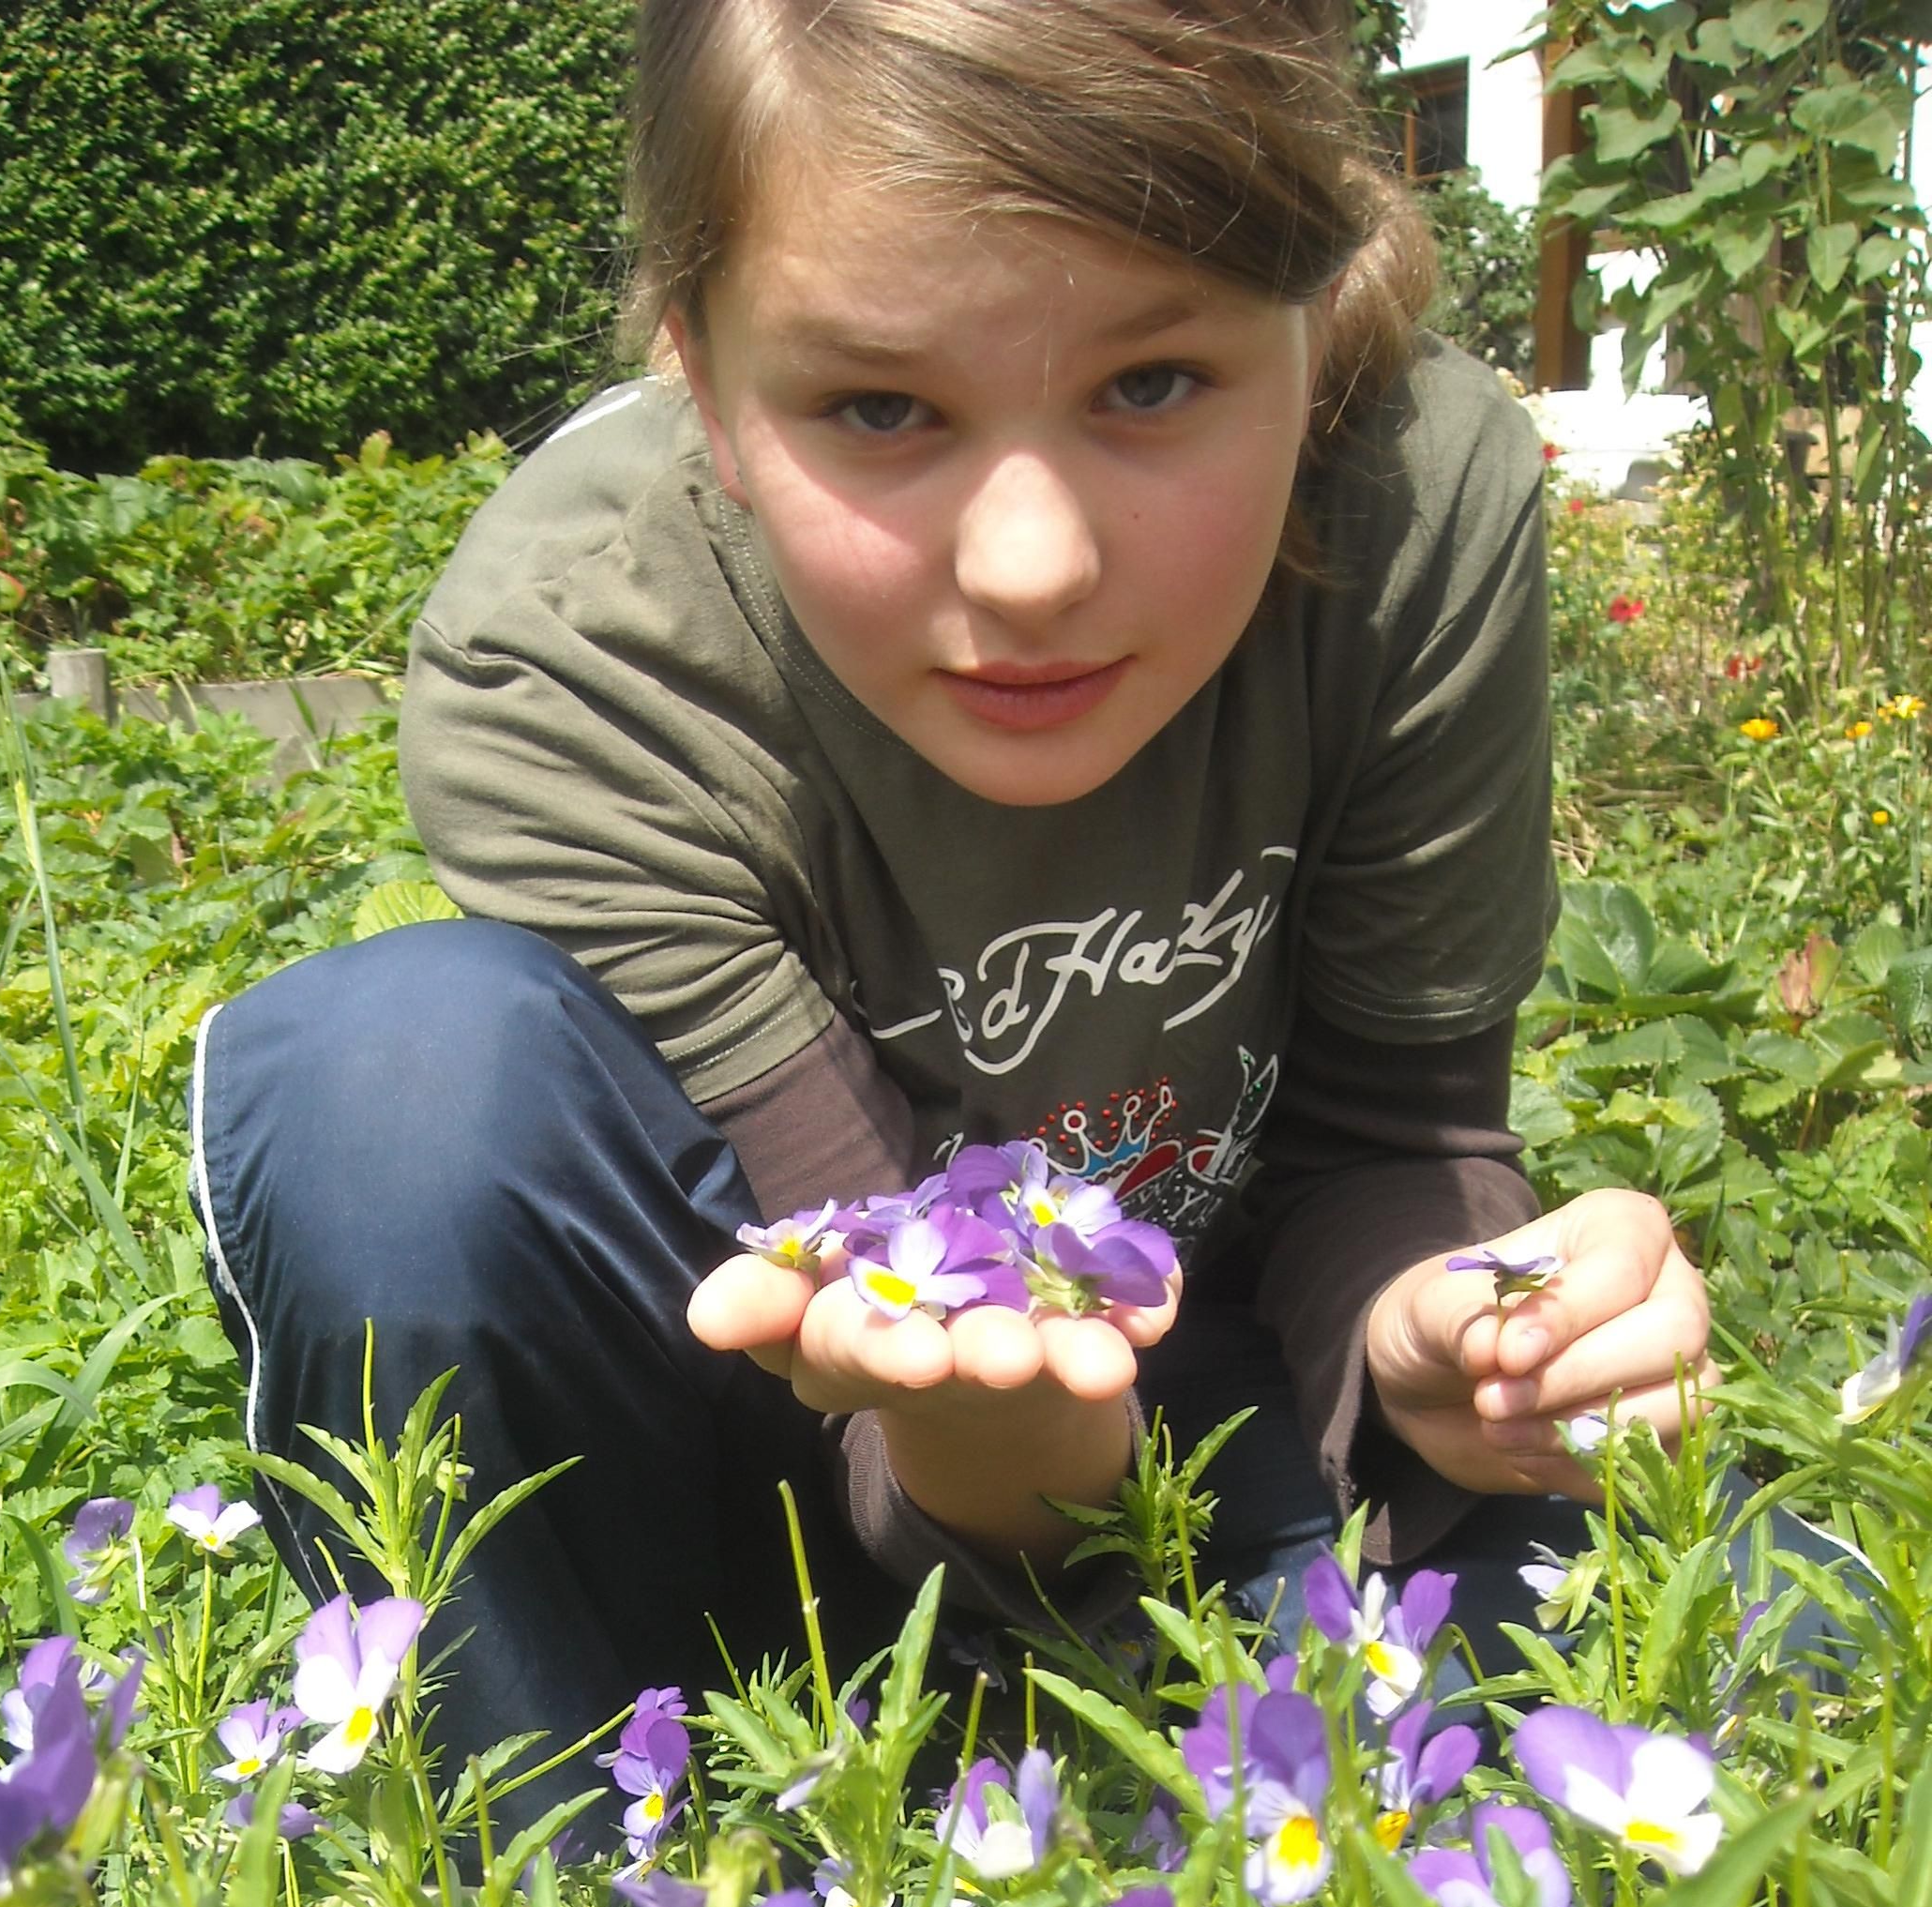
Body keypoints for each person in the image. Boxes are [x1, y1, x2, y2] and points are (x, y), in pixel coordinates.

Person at [190, 0, 1712, 1780]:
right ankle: (563, 1848)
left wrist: (1436, 1339)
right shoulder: (580, 658)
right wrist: (1008, 1459)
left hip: (1202, 1409)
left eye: (1154, 383)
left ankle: (1130, 1700)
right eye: (880, 407)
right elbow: (873, 1277)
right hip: (753, 1447)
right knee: (389, 1079)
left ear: (1314, 324)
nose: (1032, 567)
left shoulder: (1415, 502)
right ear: (704, 380)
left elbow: (1394, 1137)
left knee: (1756, 1628)